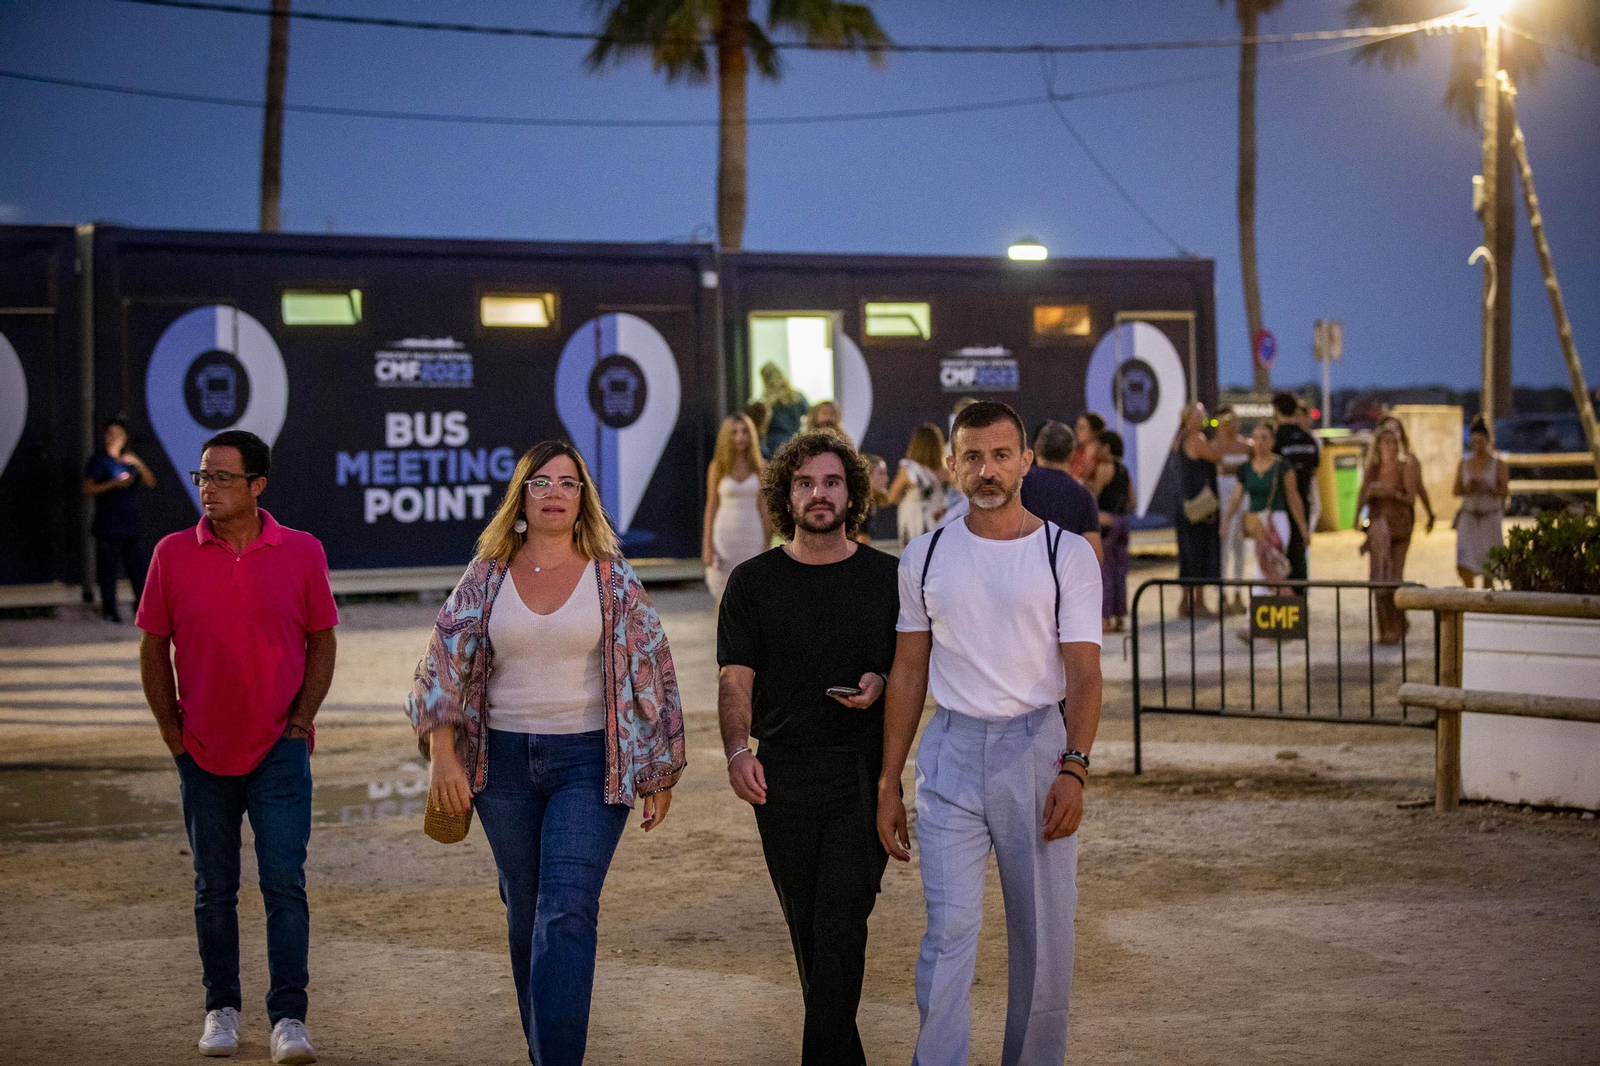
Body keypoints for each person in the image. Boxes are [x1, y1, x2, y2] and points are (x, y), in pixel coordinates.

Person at [407, 440, 685, 1065]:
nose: (555, 493)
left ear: (582, 498)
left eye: (568, 483)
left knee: (565, 911)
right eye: (541, 482)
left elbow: (655, 670)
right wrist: (443, 755)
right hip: (501, 767)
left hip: (590, 763)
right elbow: (441, 664)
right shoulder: (487, 573)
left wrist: (659, 767)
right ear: (522, 497)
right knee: (526, 912)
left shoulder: (613, 578)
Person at [878, 400, 1103, 1066]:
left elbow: (1085, 675)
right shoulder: (924, 556)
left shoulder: (1067, 556)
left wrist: (1074, 767)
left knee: (1042, 938)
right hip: (949, 753)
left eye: (1002, 454)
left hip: (1036, 750)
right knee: (948, 932)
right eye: (972, 456)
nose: (987, 469)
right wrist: (889, 781)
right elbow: (909, 673)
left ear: (1027, 461)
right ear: (950, 465)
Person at [136, 429, 338, 1065]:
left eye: (222, 478)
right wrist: (172, 732)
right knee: (212, 888)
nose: (208, 489)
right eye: (202, 478)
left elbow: (323, 641)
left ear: (258, 486)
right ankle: (220, 1008)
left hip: (281, 748)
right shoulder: (171, 554)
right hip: (200, 750)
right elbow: (152, 649)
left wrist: (301, 722)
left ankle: (289, 1019)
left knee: (285, 886)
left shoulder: (303, 552)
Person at [716, 432, 900, 1066]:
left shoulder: (888, 578)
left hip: (860, 775)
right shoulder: (753, 582)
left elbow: (911, 672)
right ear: (784, 495)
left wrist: (882, 681)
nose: (818, 495)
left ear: (852, 493)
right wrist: (739, 751)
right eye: (804, 483)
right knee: (810, 934)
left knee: (841, 925)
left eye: (830, 482)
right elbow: (735, 680)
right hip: (783, 778)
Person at [1222, 422, 1312, 603]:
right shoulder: (1246, 469)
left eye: (1265, 438)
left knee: (1268, 567)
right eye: (1256, 437)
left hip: (1276, 521)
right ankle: (1266, 610)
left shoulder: (1281, 466)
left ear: (1272, 441)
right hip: (1256, 523)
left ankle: (1261, 614)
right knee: (1260, 566)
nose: (1260, 442)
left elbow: (1293, 498)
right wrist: (1226, 521)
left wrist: (1303, 527)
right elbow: (1236, 499)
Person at [82, 416, 156, 622]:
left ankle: (142, 611)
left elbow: (150, 482)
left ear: (125, 438)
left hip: (130, 525)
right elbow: (87, 489)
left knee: (139, 570)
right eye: (110, 434)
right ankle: (109, 611)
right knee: (108, 572)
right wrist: (113, 484)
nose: (114, 438)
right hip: (108, 525)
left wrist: (138, 463)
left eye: (118, 434)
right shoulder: (98, 460)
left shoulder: (129, 461)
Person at [1357, 423, 1419, 645]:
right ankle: (1386, 628)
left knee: (1394, 578)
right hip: (1378, 529)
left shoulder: (1404, 467)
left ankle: (1397, 623)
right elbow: (1362, 493)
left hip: (1399, 527)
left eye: (1393, 442)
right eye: (1386, 441)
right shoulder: (1373, 469)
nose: (1390, 446)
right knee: (1378, 579)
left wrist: (1391, 493)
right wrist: (1358, 517)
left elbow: (1411, 497)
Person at [702, 413, 772, 602]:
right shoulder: (717, 467)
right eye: (734, 432)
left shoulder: (761, 467)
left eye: (745, 432)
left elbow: (764, 506)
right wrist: (707, 545)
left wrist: (768, 541)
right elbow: (711, 505)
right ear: (727, 436)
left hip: (753, 536)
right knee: (724, 597)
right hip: (725, 537)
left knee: (753, 595)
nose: (740, 437)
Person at [1022, 420, 1104, 565]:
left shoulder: (1019, 484)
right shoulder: (1083, 496)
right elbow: (1095, 556)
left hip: (1021, 573)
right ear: (1072, 453)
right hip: (1061, 580)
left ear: (1036, 448)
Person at [1172, 402, 1221, 618]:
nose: (1204, 420)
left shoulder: (1178, 439)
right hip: (1199, 506)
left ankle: (1185, 602)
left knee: (1187, 554)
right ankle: (1198, 603)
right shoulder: (1196, 439)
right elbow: (1215, 456)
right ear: (1190, 419)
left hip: (1183, 506)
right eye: (1201, 416)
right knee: (1199, 554)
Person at [1270, 393, 1320, 584]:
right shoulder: (1309, 440)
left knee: (1277, 556)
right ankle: (1299, 600)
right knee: (1299, 555)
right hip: (1305, 502)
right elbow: (1314, 471)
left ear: (1276, 411)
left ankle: (1285, 601)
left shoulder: (1277, 441)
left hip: (1280, 506)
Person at [1453, 415, 1507, 588]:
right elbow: (1455, 490)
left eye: (1481, 442)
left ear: (1488, 441)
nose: (1478, 446)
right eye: (1474, 442)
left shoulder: (1497, 463)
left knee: (1489, 566)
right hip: (1469, 518)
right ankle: (1469, 601)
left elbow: (1504, 490)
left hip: (1489, 518)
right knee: (1465, 564)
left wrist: (1488, 488)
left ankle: (1486, 607)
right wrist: (1468, 488)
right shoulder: (1464, 462)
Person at [1213, 407, 1252, 614]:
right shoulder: (1216, 446)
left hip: (1242, 501)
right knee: (1223, 549)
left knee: (1240, 549)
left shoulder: (1247, 446)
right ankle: (1222, 594)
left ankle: (1238, 592)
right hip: (1223, 500)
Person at [886, 422, 949, 547]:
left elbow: (892, 497)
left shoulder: (909, 469)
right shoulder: (946, 470)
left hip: (914, 521)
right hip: (939, 520)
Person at [1096, 430, 1135, 633]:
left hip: (1106, 522)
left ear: (1107, 447)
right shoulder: (1124, 470)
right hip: (1122, 522)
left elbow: (1094, 495)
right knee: (1121, 571)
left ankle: (1106, 619)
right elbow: (1133, 500)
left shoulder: (1104, 468)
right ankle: (1120, 617)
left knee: (1105, 572)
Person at [1375, 414, 1436, 534]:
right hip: (1379, 518)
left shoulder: (1410, 460)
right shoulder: (1375, 462)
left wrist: (1430, 514)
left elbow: (1419, 487)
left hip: (1402, 517)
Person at [759, 362, 809, 457]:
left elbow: (763, 429)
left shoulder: (766, 403)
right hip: (796, 442)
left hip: (775, 446)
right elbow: (809, 416)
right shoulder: (798, 397)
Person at [859, 453, 890, 545]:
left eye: (885, 473)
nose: (887, 478)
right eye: (881, 473)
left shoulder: (872, 503)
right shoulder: (859, 505)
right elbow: (861, 541)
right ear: (867, 475)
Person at [1068, 412, 1105, 483]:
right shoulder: (1076, 453)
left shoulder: (1102, 456)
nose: (1077, 431)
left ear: (1094, 431)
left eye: (1082, 428)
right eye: (1077, 427)